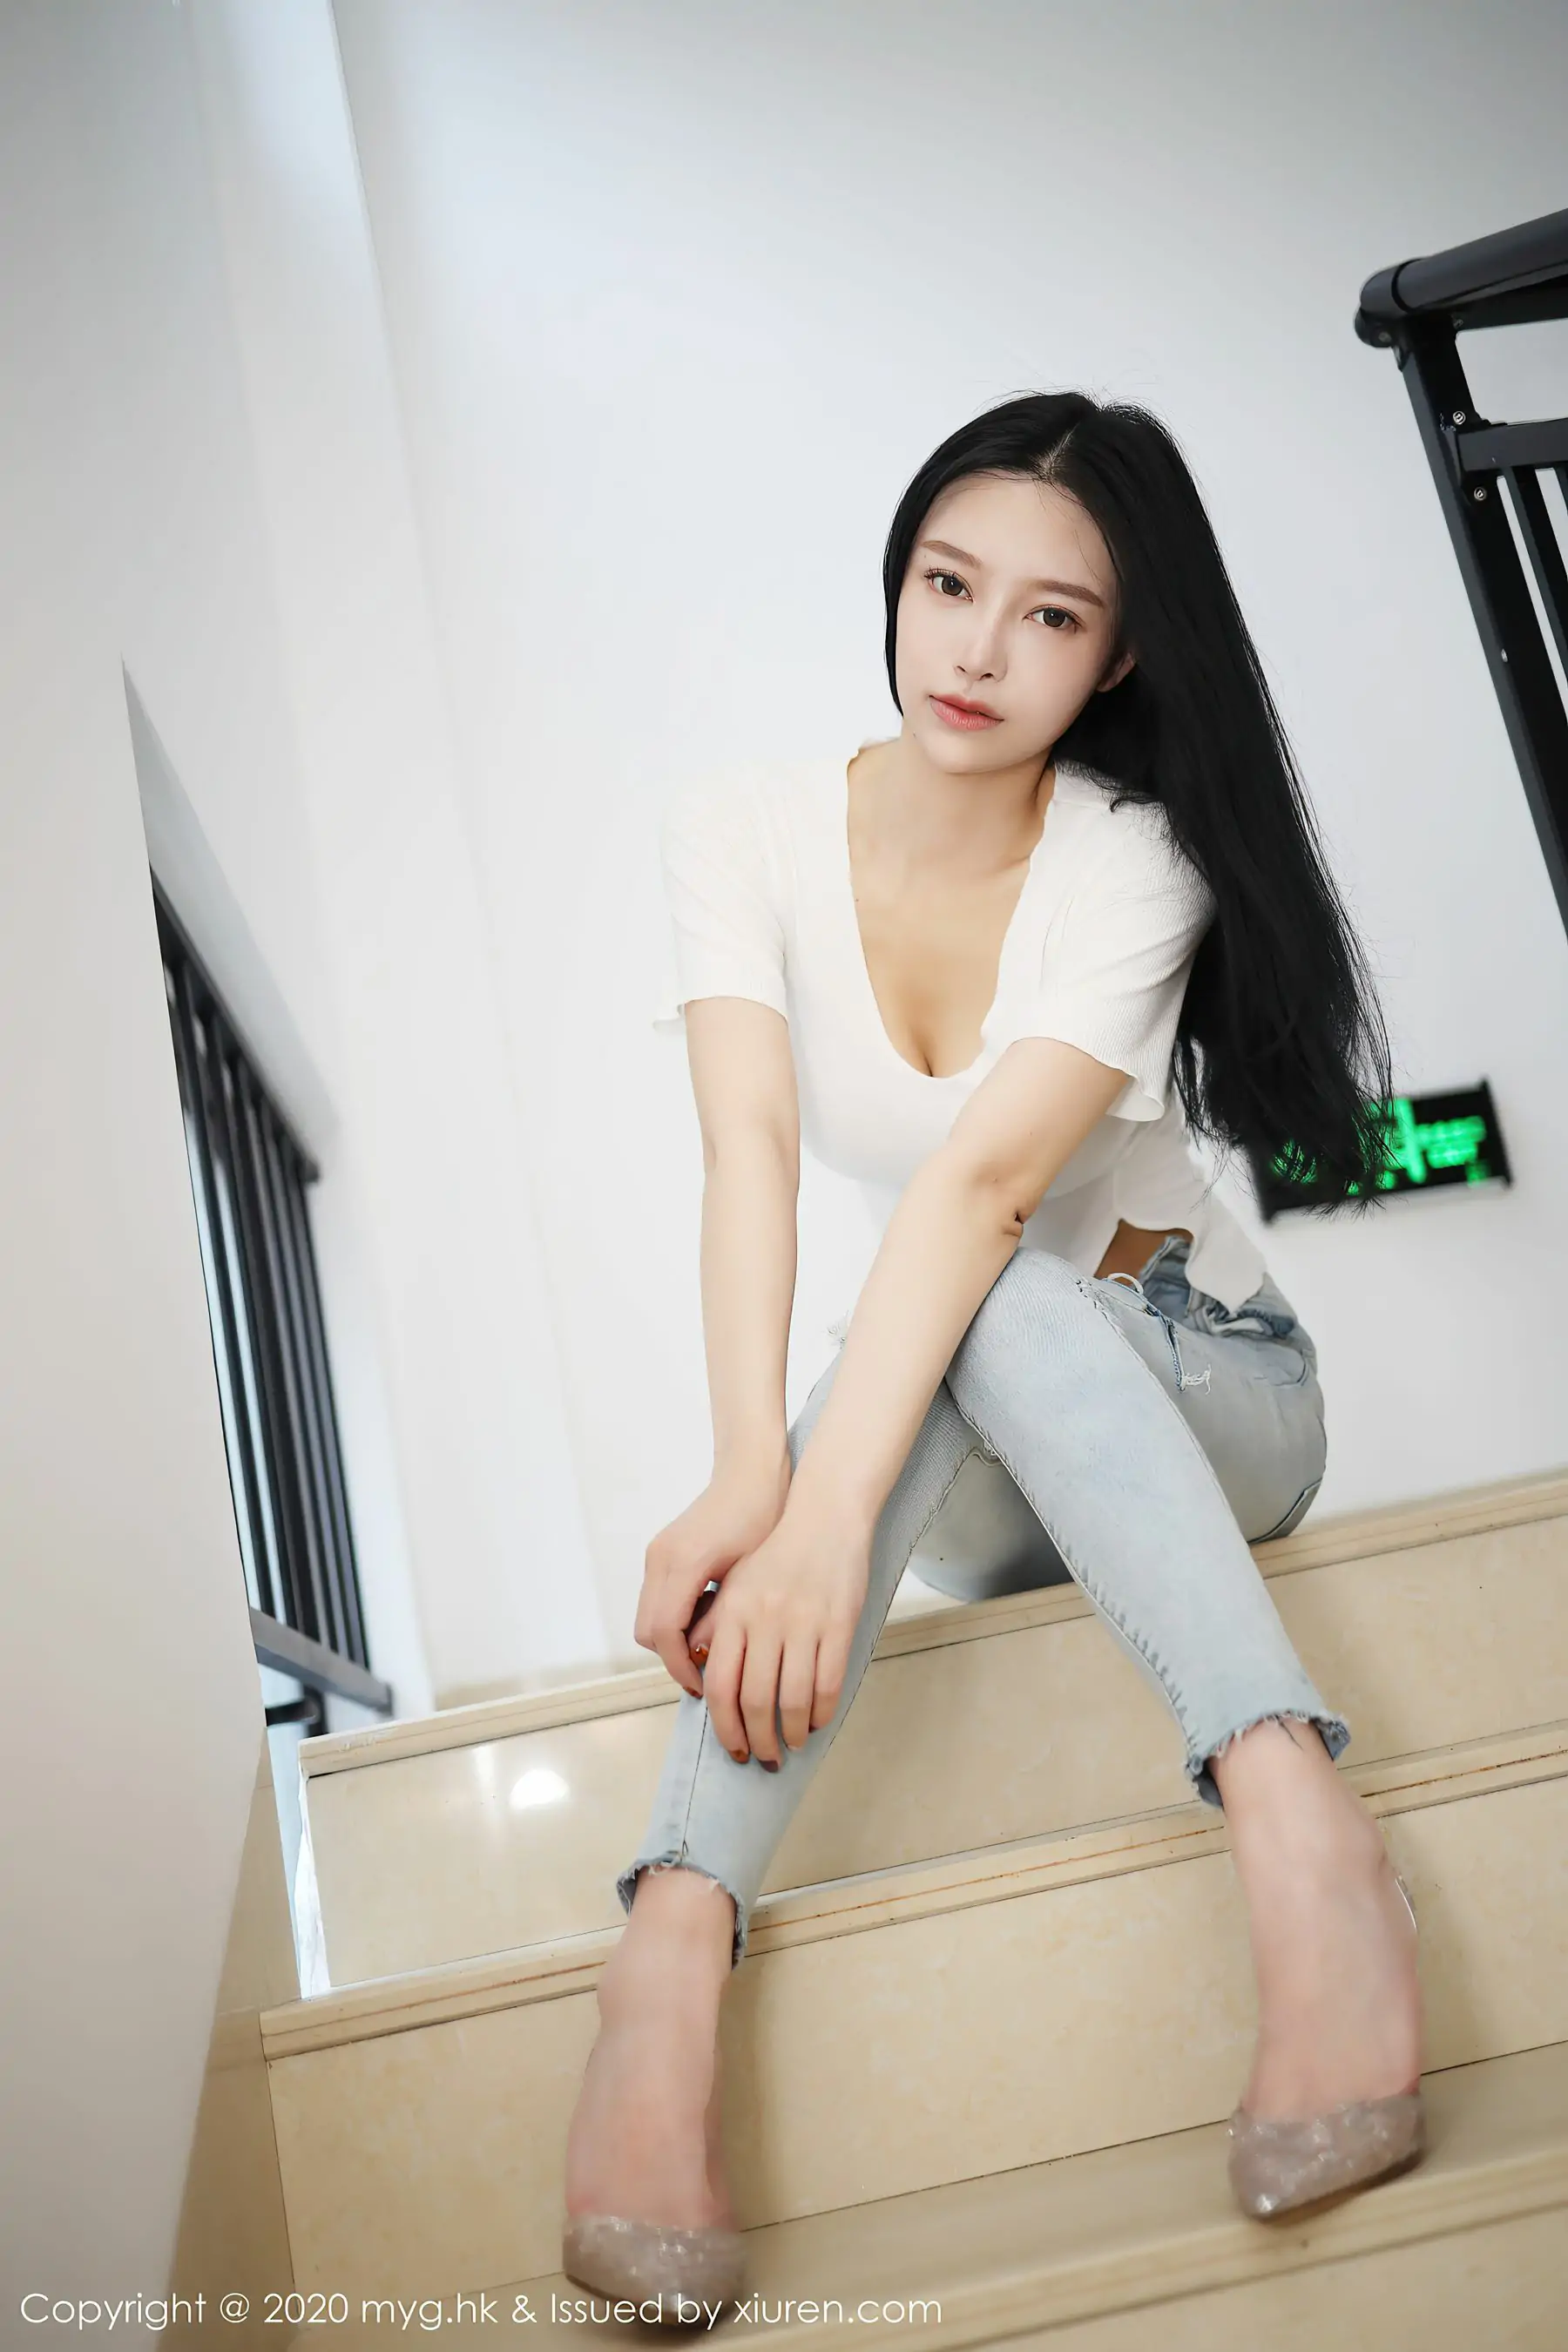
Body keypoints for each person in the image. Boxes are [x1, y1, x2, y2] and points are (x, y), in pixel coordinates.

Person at [562, 390, 1423, 2308]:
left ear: (1118, 658)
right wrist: (750, 1473)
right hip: (980, 1475)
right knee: (946, 1317)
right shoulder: (743, 829)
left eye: (1051, 615)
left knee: (990, 1280)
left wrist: (816, 1517)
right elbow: (749, 1150)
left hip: (1215, 1394)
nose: (976, 648)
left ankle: (1296, 1846)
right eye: (949, 584)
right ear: (897, 581)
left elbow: (979, 1195)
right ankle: (669, 1965)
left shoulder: (1134, 858)